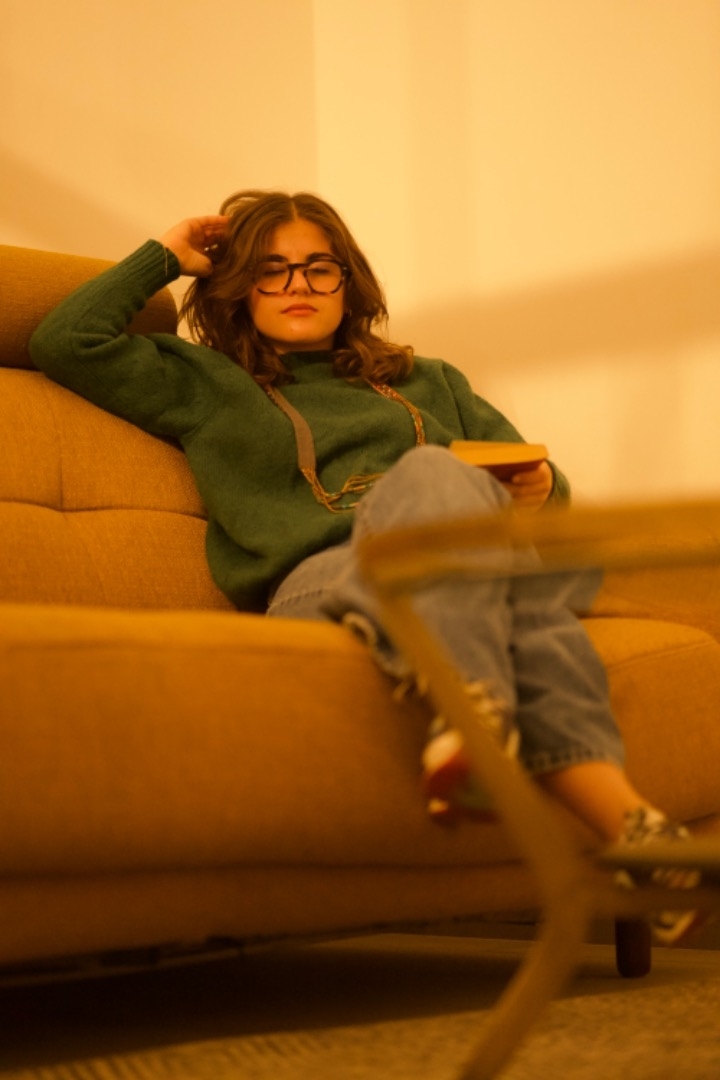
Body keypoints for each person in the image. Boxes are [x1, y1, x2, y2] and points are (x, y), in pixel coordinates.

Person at [29, 188, 700, 944]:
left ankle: (625, 828)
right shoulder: (204, 383)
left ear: (348, 283)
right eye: (272, 270)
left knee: (510, 575)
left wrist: (541, 489)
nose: (299, 285)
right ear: (239, 287)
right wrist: (167, 255)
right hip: (324, 581)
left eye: (320, 268)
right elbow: (64, 340)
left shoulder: (431, 380)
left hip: (458, 569)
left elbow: (537, 489)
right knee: (452, 501)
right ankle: (494, 727)